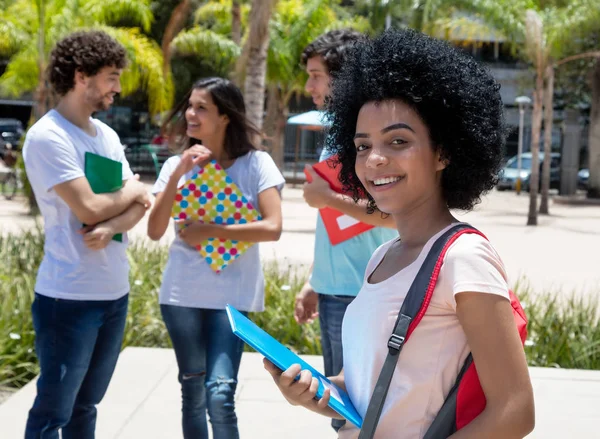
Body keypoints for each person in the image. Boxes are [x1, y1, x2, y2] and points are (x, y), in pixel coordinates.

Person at [266, 29, 535, 439]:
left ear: (444, 152)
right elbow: (374, 391)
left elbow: (515, 411)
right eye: (361, 145)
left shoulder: (464, 259)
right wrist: (314, 390)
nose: (374, 159)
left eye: (398, 141)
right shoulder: (383, 257)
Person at [22, 31, 150, 439]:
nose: (118, 87)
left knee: (85, 409)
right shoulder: (49, 136)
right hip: (68, 299)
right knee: (51, 416)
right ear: (82, 76)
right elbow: (89, 207)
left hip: (114, 294)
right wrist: (131, 191)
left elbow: (135, 207)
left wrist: (113, 224)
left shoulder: (106, 135)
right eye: (112, 76)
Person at [147, 77, 285, 439]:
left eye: (201, 107)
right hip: (182, 295)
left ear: (225, 116)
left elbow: (272, 227)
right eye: (189, 106)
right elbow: (155, 230)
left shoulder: (257, 164)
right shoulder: (175, 166)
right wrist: (179, 170)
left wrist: (212, 231)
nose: (190, 114)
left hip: (233, 299)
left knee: (221, 393)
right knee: (192, 391)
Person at [294, 29, 398, 432]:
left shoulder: (371, 139)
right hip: (336, 289)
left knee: (356, 411)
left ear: (344, 77)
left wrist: (326, 198)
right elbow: (342, 225)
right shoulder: (340, 137)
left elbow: (392, 214)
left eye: (317, 75)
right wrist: (315, 281)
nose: (309, 85)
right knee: (341, 409)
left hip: (365, 290)